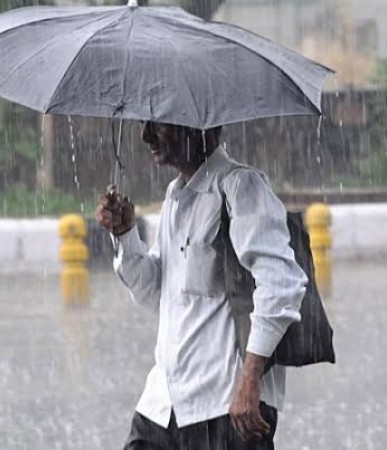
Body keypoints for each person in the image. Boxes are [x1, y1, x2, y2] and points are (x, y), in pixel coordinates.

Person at [95, 121, 307, 450]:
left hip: (224, 405)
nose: (146, 135)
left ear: (198, 126)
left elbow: (281, 285)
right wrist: (126, 236)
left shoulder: (241, 186)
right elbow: (158, 296)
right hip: (163, 403)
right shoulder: (175, 196)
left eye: (158, 123)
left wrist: (250, 381)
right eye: (144, 123)